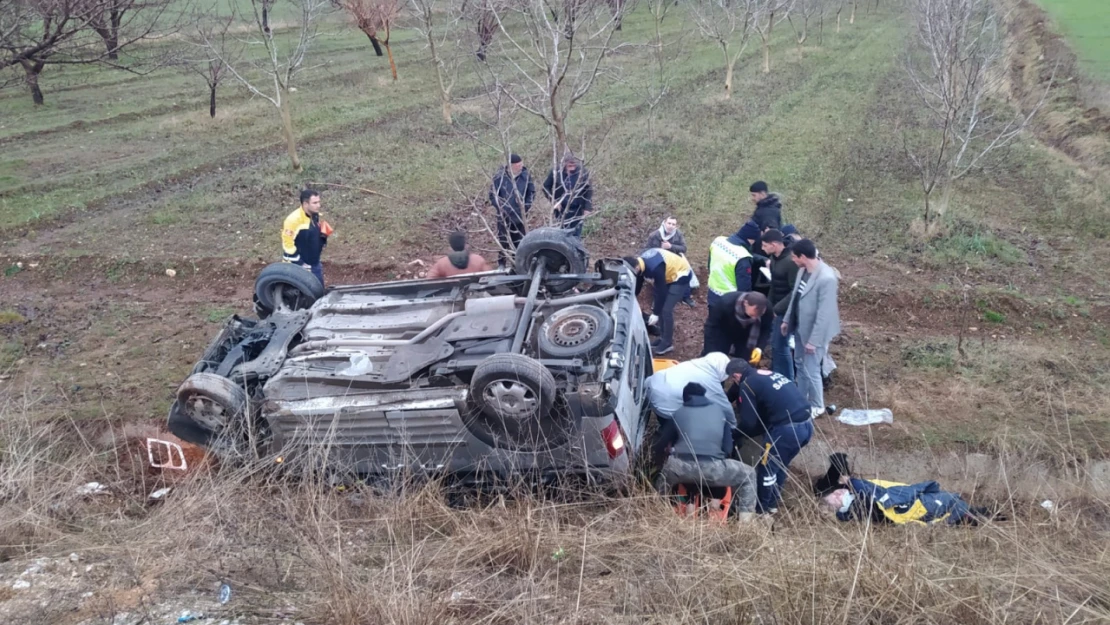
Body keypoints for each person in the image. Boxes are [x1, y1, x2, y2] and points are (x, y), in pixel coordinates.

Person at [652, 383, 757, 518]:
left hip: (681, 468)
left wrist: (661, 462)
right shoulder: (720, 412)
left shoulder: (678, 414)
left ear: (685, 398)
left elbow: (661, 445)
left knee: (662, 483)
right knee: (749, 474)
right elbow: (727, 449)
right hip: (714, 468)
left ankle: (658, 514)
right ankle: (745, 527)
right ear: (703, 396)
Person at [726, 360, 813, 515]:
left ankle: (761, 511)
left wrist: (735, 434)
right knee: (780, 465)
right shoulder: (769, 374)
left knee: (767, 469)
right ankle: (772, 504)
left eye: (733, 379)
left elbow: (749, 423)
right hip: (807, 425)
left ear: (736, 376)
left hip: (786, 430)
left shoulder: (747, 384)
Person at [814, 454, 998, 526]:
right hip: (921, 506)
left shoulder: (851, 494)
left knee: (957, 504)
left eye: (834, 493)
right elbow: (876, 498)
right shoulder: (859, 507)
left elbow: (837, 462)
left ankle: (981, 513)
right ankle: (976, 516)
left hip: (920, 498)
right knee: (955, 507)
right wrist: (854, 482)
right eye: (836, 498)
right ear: (840, 509)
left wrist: (842, 478)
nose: (838, 493)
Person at [782, 239, 840, 417]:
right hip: (800, 328)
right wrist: (786, 320)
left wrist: (814, 341)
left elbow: (825, 314)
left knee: (812, 368)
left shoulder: (826, 278)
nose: (792, 260)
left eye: (794, 257)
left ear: (803, 257)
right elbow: (795, 298)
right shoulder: (803, 270)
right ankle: (801, 398)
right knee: (799, 363)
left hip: (815, 333)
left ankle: (817, 405)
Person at [624, 249, 691, 355]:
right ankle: (662, 337)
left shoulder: (654, 268)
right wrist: (631, 297)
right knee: (660, 308)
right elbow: (639, 283)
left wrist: (655, 313)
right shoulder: (640, 265)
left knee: (666, 310)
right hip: (668, 275)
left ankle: (667, 343)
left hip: (680, 276)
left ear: (636, 267)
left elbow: (661, 291)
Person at [644, 352, 734, 424]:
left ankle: (664, 428)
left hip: (652, 386)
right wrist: (733, 425)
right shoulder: (710, 379)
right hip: (666, 402)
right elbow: (724, 406)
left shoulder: (694, 363)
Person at [760, 229, 800, 380]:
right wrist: (769, 305)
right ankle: (778, 375)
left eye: (765, 245)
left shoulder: (790, 262)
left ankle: (787, 380)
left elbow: (794, 291)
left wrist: (777, 309)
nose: (762, 248)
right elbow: (774, 285)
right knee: (776, 346)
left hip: (787, 311)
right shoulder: (774, 258)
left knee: (780, 346)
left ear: (775, 245)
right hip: (777, 308)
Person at [488, 153, 535, 268]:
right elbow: (493, 195)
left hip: (520, 215)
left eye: (521, 164)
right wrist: (500, 207)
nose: (520, 166)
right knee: (504, 240)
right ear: (510, 166)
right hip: (504, 216)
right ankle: (502, 263)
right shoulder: (499, 177)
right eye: (517, 165)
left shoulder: (526, 176)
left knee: (519, 241)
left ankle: (517, 263)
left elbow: (531, 192)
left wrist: (526, 206)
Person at [282, 188, 331, 286]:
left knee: (319, 294)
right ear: (305, 204)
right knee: (308, 298)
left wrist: (322, 240)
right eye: (315, 203)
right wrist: (301, 264)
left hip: (314, 263)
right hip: (300, 268)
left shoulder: (314, 215)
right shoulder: (293, 220)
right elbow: (287, 245)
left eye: (319, 202)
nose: (319, 205)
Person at [706, 221, 759, 308]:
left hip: (712, 293)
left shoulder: (718, 241)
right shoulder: (743, 257)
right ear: (750, 239)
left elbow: (709, 265)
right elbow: (744, 288)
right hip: (730, 301)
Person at [645, 216, 696, 307]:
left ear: (676, 226)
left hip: (675, 260)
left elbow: (684, 248)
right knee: (660, 278)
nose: (671, 226)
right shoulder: (654, 235)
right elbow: (647, 250)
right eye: (669, 223)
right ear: (664, 223)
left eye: (673, 224)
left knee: (686, 272)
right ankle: (657, 300)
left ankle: (686, 297)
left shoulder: (678, 234)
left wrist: (670, 246)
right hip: (660, 260)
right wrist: (659, 250)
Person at [701, 291, 768, 360]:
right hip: (724, 330)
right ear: (745, 303)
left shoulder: (766, 308)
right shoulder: (725, 303)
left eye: (759, 316)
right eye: (752, 315)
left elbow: (766, 328)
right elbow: (711, 327)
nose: (755, 318)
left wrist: (759, 347)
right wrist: (710, 350)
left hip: (747, 334)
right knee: (717, 356)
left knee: (745, 360)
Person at [543, 156, 593, 238]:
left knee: (576, 232)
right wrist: (554, 202)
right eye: (570, 166)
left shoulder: (583, 172)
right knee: (561, 232)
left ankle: (575, 248)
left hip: (578, 207)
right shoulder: (556, 172)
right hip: (561, 208)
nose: (572, 168)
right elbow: (545, 187)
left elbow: (589, 190)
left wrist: (587, 207)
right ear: (564, 164)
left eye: (574, 166)